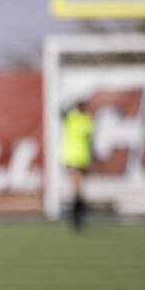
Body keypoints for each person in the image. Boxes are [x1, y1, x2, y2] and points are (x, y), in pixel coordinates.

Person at [61, 99, 94, 231]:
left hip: (82, 159)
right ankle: (77, 218)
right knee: (78, 188)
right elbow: (61, 112)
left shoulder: (86, 120)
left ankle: (77, 217)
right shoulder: (72, 118)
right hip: (72, 158)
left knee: (78, 189)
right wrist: (70, 105)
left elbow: (90, 141)